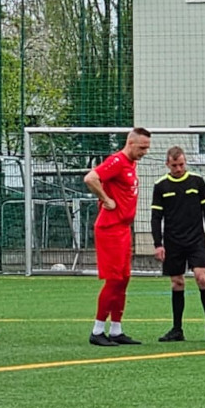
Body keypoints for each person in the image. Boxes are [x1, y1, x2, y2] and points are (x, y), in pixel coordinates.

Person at [84, 127, 151, 347]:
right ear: (130, 143)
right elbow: (91, 178)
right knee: (114, 279)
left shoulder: (131, 164)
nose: (145, 152)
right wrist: (105, 199)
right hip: (110, 228)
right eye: (142, 147)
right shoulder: (116, 161)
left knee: (124, 279)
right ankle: (97, 330)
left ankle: (116, 330)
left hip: (123, 228)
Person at [150, 146, 205, 342]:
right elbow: (156, 217)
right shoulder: (161, 186)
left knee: (201, 278)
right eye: (174, 165)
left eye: (181, 164)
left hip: (195, 239)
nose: (178, 169)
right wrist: (158, 243)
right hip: (172, 241)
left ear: (185, 162)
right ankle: (177, 329)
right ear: (167, 164)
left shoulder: (197, 181)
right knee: (177, 282)